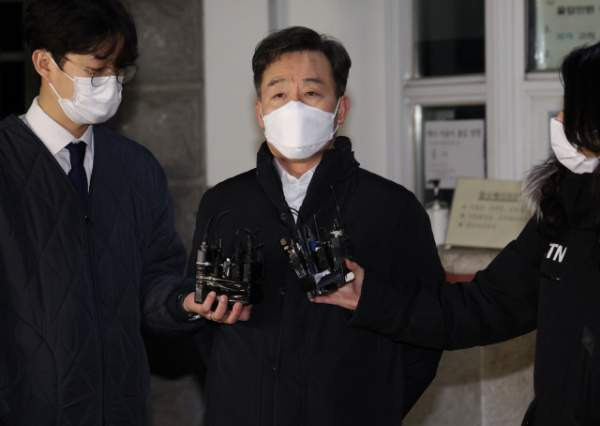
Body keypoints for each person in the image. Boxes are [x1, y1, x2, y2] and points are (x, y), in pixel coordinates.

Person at [316, 42, 600, 426]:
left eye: (576, 109)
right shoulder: (564, 211)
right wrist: (373, 298)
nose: (561, 119)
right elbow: (484, 305)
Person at [175, 26, 441, 426]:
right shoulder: (224, 203)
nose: (294, 107)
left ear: (340, 110)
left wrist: (373, 406)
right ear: (260, 112)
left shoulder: (392, 208)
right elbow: (204, 327)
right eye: (279, 94)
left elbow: (428, 327)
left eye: (312, 93)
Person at [0, 1, 200, 425]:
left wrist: (186, 302)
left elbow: (157, 280)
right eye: (95, 71)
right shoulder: (7, 161)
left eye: (119, 71)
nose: (110, 83)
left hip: (121, 408)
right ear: (44, 63)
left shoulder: (136, 169)